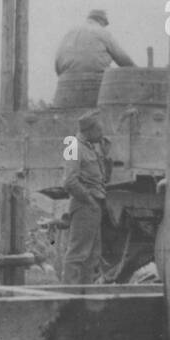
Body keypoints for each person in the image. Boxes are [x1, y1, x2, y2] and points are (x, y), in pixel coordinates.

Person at [62, 109, 113, 284]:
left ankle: (83, 297)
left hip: (93, 204)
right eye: (99, 130)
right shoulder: (73, 147)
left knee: (92, 255)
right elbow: (69, 181)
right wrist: (89, 200)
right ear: (89, 131)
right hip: (85, 204)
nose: (102, 134)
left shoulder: (91, 148)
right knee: (78, 254)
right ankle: (69, 296)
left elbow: (103, 179)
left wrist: (106, 155)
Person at [54, 9, 135, 76]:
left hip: (66, 81)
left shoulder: (69, 33)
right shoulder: (101, 31)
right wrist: (139, 72)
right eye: (105, 24)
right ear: (100, 20)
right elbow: (123, 59)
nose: (104, 26)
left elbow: (57, 60)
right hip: (94, 81)